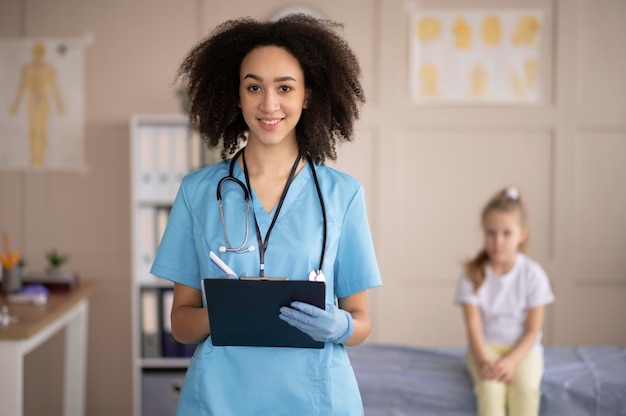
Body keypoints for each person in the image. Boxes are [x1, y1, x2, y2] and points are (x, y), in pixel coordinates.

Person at [150, 13, 382, 415]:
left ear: (307, 95)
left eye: (285, 87)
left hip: (315, 398)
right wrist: (225, 311)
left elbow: (360, 321)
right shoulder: (198, 192)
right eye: (254, 87)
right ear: (237, 95)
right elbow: (182, 324)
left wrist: (340, 325)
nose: (269, 104)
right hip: (221, 398)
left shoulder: (343, 195)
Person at [454, 186, 555, 416]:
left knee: (525, 389)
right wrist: (482, 361)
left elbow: (532, 331)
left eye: (506, 233)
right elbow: (473, 325)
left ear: (522, 235)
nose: (497, 241)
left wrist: (511, 362)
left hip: (523, 351)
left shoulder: (533, 275)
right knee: (490, 389)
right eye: (491, 232)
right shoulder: (472, 274)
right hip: (485, 349)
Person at [9, 42, 66, 167]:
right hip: (32, 102)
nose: (38, 52)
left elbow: (54, 88)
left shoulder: (49, 68)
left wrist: (60, 106)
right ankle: (33, 156)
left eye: (40, 50)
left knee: (42, 130)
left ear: (43, 52)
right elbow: (22, 87)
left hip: (44, 102)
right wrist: (15, 105)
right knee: (33, 130)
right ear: (33, 51)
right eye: (36, 50)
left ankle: (40, 156)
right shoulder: (27, 68)